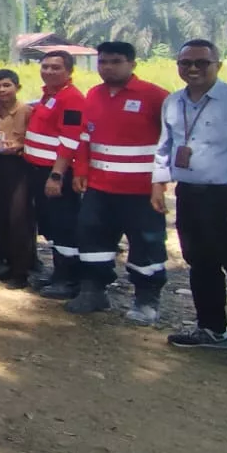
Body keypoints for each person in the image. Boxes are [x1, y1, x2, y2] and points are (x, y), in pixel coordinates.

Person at [154, 40, 227, 371]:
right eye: (185, 62)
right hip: (191, 194)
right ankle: (212, 329)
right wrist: (158, 182)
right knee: (200, 262)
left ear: (218, 66)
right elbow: (165, 146)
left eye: (201, 63)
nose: (193, 69)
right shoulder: (173, 103)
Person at [59, 41, 171, 321]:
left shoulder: (155, 97)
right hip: (99, 188)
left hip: (141, 191)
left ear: (132, 64)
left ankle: (146, 298)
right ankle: (94, 290)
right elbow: (85, 135)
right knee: (91, 236)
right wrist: (81, 171)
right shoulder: (94, 94)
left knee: (146, 243)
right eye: (103, 62)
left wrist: (161, 182)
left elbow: (170, 143)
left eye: (115, 61)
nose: (107, 67)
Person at [28, 51, 87, 299]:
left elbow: (70, 140)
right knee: (52, 224)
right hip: (38, 169)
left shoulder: (71, 98)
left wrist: (56, 176)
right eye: (45, 67)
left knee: (64, 226)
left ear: (69, 71)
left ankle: (69, 280)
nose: (49, 71)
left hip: (55, 172)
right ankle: (58, 273)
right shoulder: (50, 95)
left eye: (56, 68)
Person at [0, 69, 34, 288]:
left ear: (17, 87)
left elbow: (35, 140)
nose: (2, 90)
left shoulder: (26, 111)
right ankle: (7, 264)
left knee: (18, 219)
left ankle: (21, 272)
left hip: (18, 167)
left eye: (6, 85)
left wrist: (19, 146)